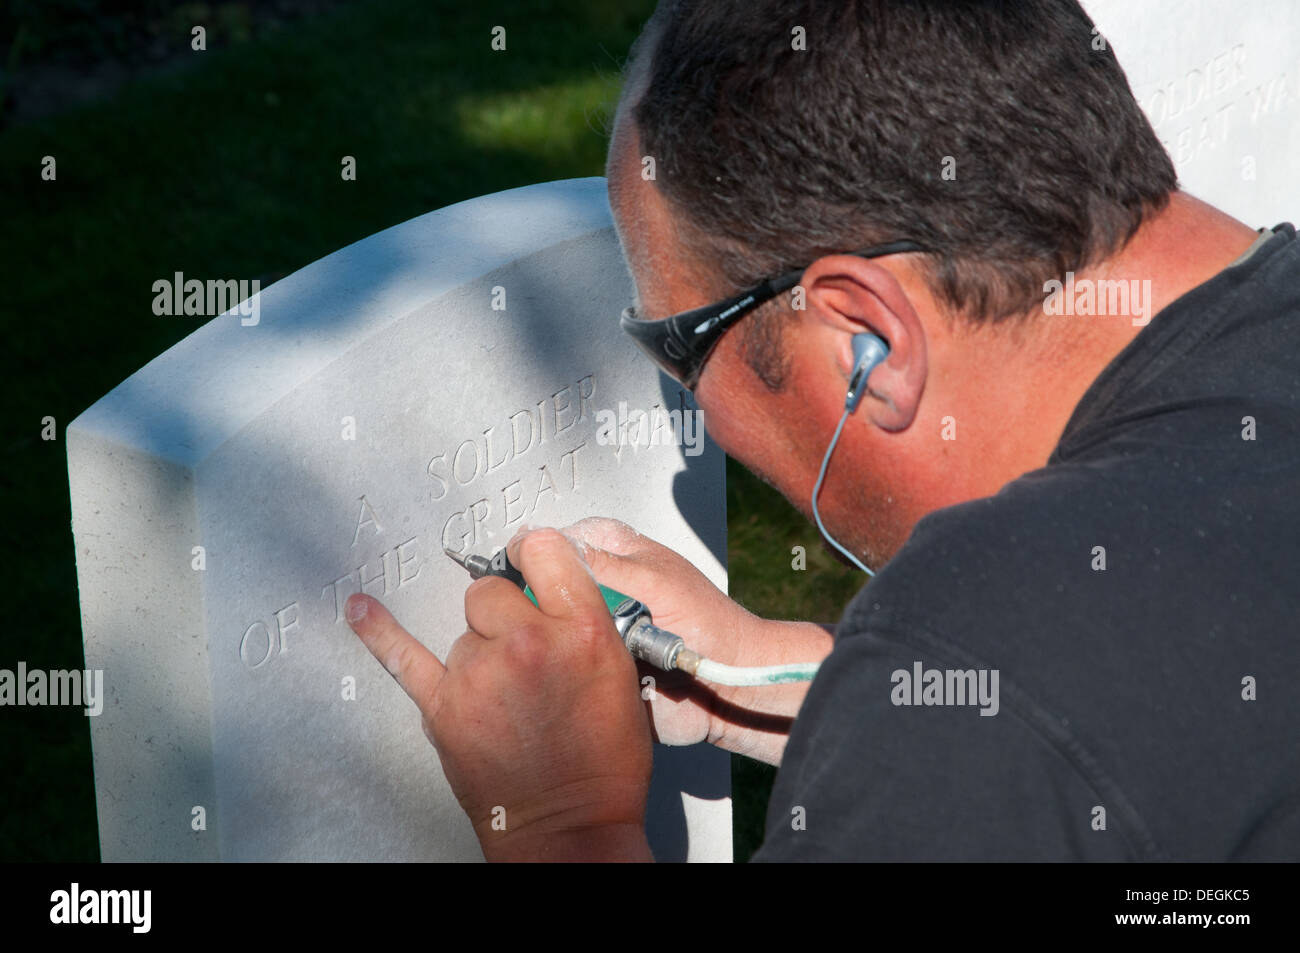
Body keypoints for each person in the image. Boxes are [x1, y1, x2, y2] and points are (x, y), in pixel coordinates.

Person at [345, 0, 1300, 860]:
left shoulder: (992, 674)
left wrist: (565, 823)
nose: (699, 421)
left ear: (864, 340)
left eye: (679, 348)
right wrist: (823, 685)